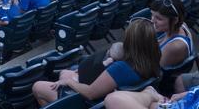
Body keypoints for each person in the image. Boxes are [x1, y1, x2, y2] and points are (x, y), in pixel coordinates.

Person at [32, 19, 160, 106]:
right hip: (112, 93)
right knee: (65, 73)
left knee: (38, 86)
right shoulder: (153, 58)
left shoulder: (121, 67)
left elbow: (90, 93)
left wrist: (69, 82)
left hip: (91, 102)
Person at [151, 0, 193, 67]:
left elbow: (155, 73)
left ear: (175, 20)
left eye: (159, 18)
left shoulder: (174, 47)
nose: (152, 20)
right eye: (152, 15)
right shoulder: (182, 24)